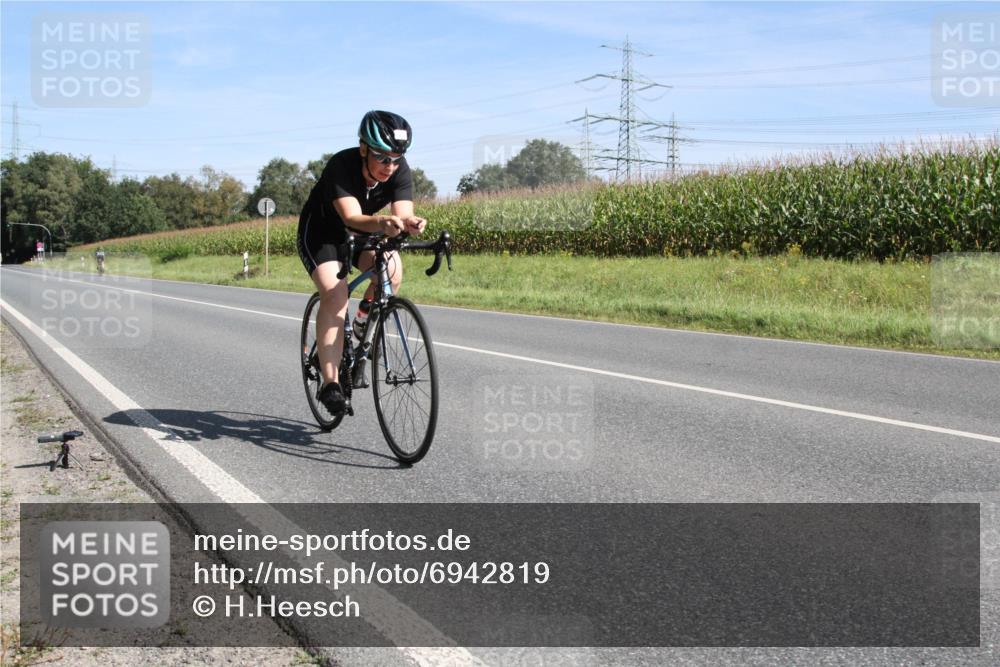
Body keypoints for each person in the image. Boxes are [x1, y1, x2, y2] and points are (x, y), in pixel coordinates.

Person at [297, 110, 427, 416]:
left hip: (363, 233)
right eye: (383, 158)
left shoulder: (399, 169)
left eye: (396, 159)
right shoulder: (341, 166)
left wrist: (410, 222)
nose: (390, 166)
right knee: (336, 293)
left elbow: (403, 210)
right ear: (364, 148)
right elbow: (352, 217)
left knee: (391, 271)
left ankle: (360, 322)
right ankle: (330, 383)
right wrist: (383, 221)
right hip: (324, 234)